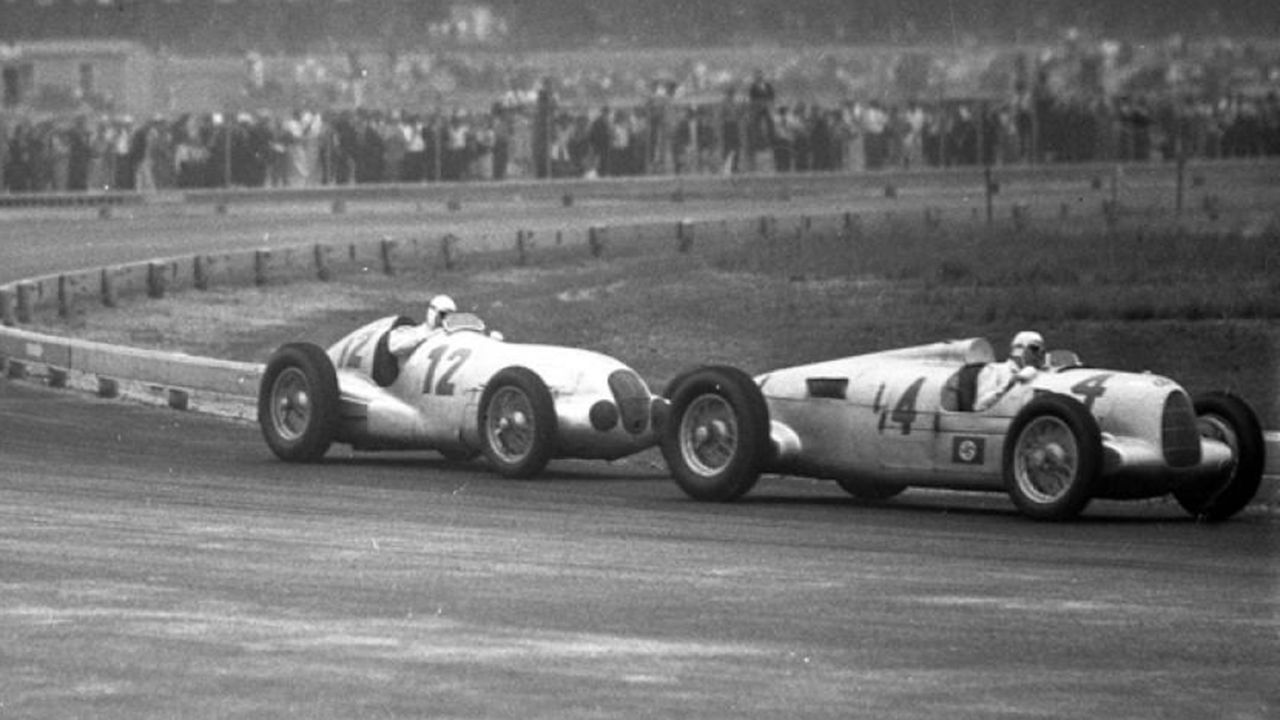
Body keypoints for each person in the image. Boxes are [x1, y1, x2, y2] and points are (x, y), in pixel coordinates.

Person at [973, 330, 1046, 411]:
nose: (1039, 354)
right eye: (1034, 349)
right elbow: (980, 406)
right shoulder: (994, 370)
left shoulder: (1039, 377)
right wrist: (1009, 386)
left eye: (1042, 351)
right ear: (1019, 350)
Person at [387, 294, 456, 358]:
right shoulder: (412, 333)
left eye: (451, 316)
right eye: (443, 315)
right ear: (433, 312)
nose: (446, 319)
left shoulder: (452, 335)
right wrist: (428, 336)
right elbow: (393, 347)